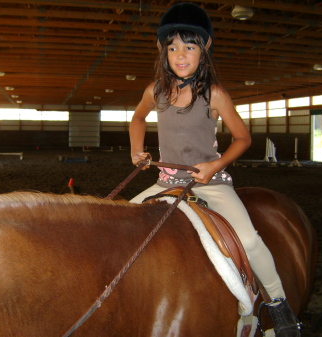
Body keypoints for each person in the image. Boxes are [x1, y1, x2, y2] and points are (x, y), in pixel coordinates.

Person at [129, 3, 301, 337]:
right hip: (166, 180)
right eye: (173, 47)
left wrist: (214, 166)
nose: (180, 55)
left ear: (202, 52)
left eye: (189, 47)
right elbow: (137, 118)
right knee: (123, 224)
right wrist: (137, 149)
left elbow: (242, 137)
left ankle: (279, 303)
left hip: (209, 182)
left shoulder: (216, 95)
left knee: (249, 239)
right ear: (164, 54)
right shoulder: (155, 92)